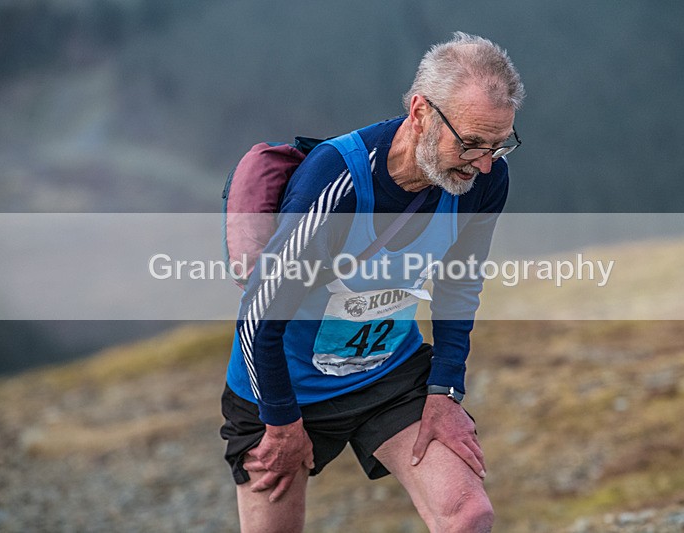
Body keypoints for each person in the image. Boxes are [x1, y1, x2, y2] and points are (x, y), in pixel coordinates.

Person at [220, 31, 524, 533]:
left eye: (500, 144)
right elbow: (259, 317)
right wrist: (281, 420)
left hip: (387, 374)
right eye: (470, 143)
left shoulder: (484, 180)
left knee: (468, 517)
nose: (485, 163)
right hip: (282, 384)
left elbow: (459, 285)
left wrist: (445, 390)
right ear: (421, 112)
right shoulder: (335, 183)